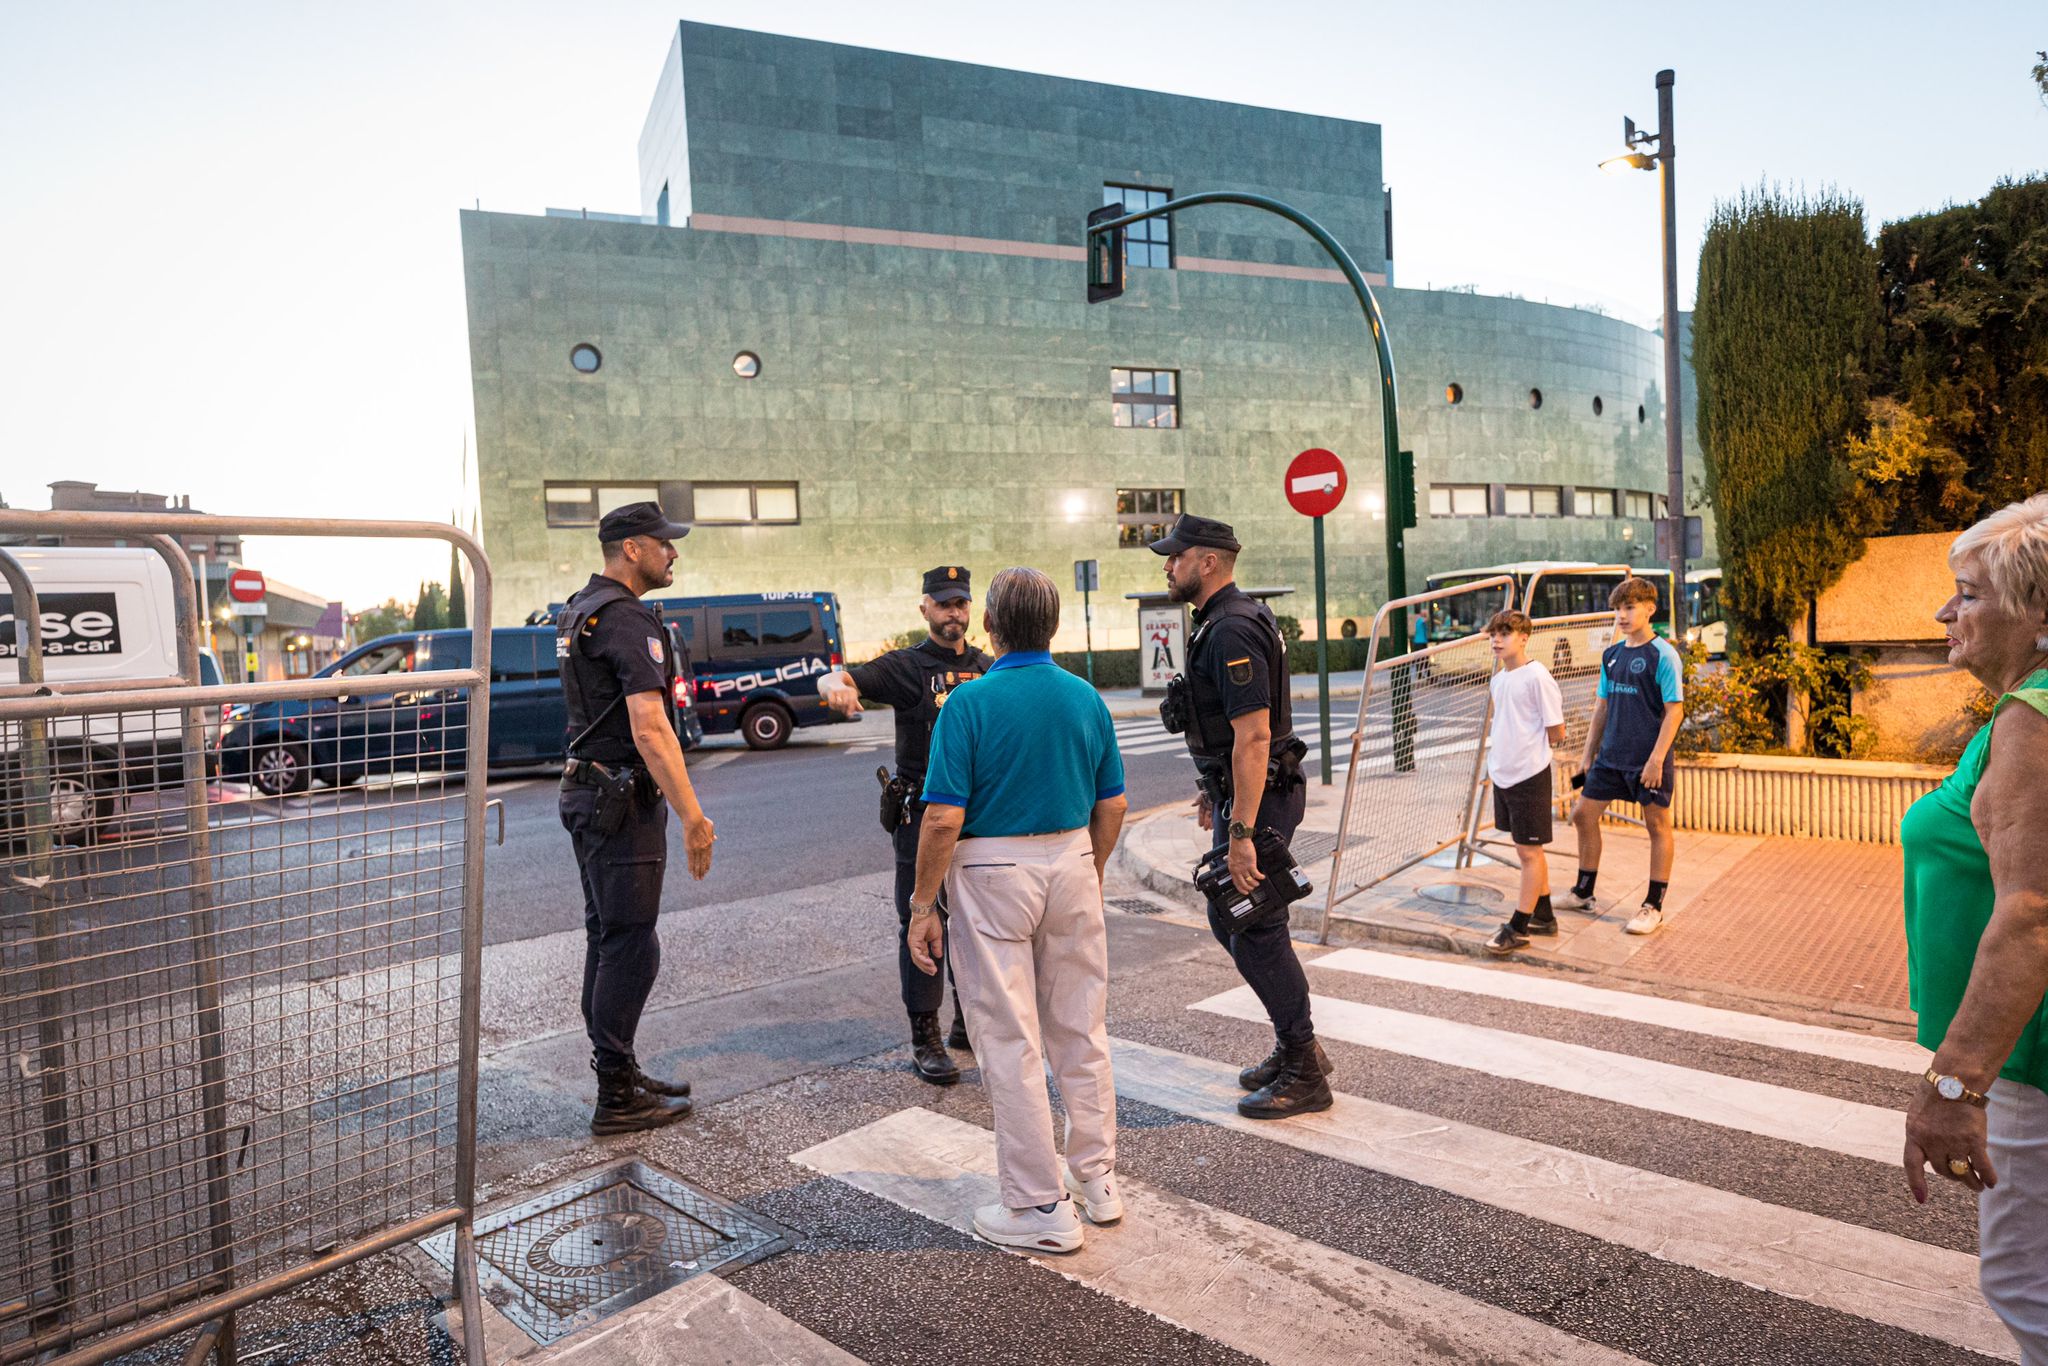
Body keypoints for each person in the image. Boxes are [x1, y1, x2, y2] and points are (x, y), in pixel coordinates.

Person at [905, 566, 1127, 1254]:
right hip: (1071, 860)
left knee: (1009, 1037)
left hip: (993, 870)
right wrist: (1088, 865)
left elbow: (943, 818)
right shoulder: (1085, 697)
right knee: (1080, 1027)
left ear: (991, 627)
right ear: (1053, 627)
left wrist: (922, 905)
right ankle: (1097, 1179)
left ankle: (1037, 1207)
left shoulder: (968, 704)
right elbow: (1113, 803)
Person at [1899, 493, 2048, 1363]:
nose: (1946, 613)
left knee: (2027, 1289)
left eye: (1970, 594)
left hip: (2031, 1057)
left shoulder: (2034, 718)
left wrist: (1954, 1088)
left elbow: (2032, 912)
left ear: (2039, 614)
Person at [1153, 513, 1330, 1119]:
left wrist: (1243, 832)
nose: (1167, 566)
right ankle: (1294, 1046)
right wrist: (1217, 792)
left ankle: (1305, 1068)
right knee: (1236, 920)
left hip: (1263, 799)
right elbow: (1230, 734)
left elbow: (1255, 737)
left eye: (1175, 557)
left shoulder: (1229, 628)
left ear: (1207, 562)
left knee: (1253, 924)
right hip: (1248, 793)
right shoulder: (1225, 621)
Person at [556, 501, 718, 1135]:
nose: (674, 552)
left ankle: (619, 1070)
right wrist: (694, 817)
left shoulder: (580, 608)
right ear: (631, 548)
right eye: (664, 543)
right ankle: (616, 1096)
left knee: (609, 938)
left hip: (590, 795)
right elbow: (651, 728)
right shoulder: (624, 619)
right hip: (619, 802)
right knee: (631, 946)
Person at [818, 566, 993, 1085]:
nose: (953, 614)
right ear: (925, 609)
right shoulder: (905, 667)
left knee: (974, 924)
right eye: (943, 604)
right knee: (921, 923)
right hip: (921, 818)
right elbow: (842, 676)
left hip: (979, 820)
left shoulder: (989, 668)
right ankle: (926, 1037)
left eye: (960, 604)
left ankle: (965, 1024)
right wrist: (834, 686)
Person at [1555, 577, 1683, 935]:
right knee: (1583, 814)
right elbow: (1602, 707)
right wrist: (1586, 757)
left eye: (1629, 607)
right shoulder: (1611, 655)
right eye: (1617, 609)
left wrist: (1657, 759)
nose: (1622, 615)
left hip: (1647, 760)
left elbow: (1675, 712)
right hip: (1610, 758)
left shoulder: (1663, 655)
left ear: (1649, 609)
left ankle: (1653, 906)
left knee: (1658, 826)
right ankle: (1583, 892)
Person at [1480, 610, 1567, 955]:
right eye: (1493, 635)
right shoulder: (1499, 679)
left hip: (1529, 774)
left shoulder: (1537, 676)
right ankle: (1543, 916)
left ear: (1524, 637)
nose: (1496, 640)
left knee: (1529, 851)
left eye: (1505, 633)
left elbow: (1556, 730)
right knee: (1525, 848)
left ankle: (1518, 926)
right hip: (1504, 772)